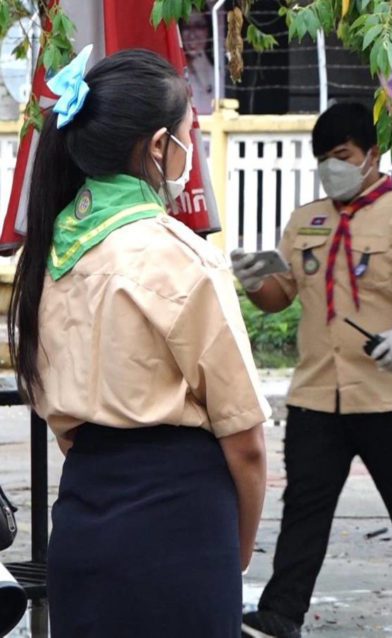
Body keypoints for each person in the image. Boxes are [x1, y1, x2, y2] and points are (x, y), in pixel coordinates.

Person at [7, 48, 270, 636]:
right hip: (179, 529)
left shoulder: (48, 259)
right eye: (188, 137)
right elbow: (245, 442)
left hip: (82, 522)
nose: (190, 153)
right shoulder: (177, 255)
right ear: (159, 147)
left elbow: (66, 428)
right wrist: (237, 552)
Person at [232, 101, 392, 638]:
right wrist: (253, 279)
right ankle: (281, 613)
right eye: (324, 159)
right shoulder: (307, 219)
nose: (332, 167)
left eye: (343, 155)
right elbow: (280, 295)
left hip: (391, 394)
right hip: (317, 393)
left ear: (372, 155)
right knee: (304, 506)